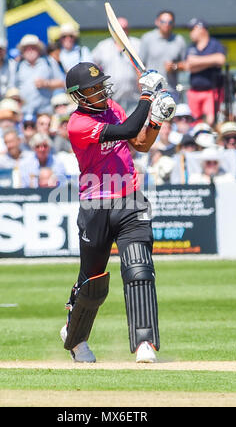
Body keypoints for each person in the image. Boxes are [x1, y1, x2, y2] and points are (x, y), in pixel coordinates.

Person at [60, 62, 176, 363]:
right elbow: (124, 130)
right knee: (92, 282)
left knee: (139, 268)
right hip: (95, 206)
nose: (99, 92)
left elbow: (138, 143)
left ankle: (145, 342)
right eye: (91, 89)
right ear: (78, 96)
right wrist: (148, 97)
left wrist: (156, 120)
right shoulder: (77, 124)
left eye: (100, 86)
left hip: (129, 200)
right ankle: (75, 338)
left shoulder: (112, 106)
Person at [181, 19, 226, 126]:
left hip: (211, 90)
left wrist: (196, 62)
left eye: (192, 29)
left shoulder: (215, 44)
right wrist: (211, 62)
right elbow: (188, 65)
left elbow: (220, 59)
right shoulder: (191, 47)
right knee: (194, 122)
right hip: (194, 91)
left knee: (209, 121)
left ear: (201, 29)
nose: (190, 33)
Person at [92, 17, 141, 114]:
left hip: (134, 99)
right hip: (110, 99)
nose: (123, 31)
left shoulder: (137, 44)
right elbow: (93, 67)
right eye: (120, 28)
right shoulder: (103, 46)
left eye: (125, 28)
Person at [139, 11, 187, 100]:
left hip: (171, 90)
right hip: (151, 90)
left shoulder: (179, 40)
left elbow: (186, 65)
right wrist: (141, 89)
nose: (166, 24)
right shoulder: (148, 38)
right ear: (157, 22)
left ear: (173, 24)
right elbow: (139, 65)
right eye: (163, 22)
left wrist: (174, 66)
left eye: (170, 22)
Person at [14, 34, 66, 115]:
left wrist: (46, 83)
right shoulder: (17, 66)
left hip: (46, 112)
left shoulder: (49, 62)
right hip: (24, 113)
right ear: (22, 51)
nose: (30, 50)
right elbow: (12, 89)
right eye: (26, 48)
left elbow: (62, 82)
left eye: (33, 47)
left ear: (39, 49)